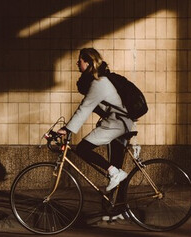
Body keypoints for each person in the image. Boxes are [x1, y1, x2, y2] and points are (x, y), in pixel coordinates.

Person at [57, 48, 134, 191]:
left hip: (117, 123)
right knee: (116, 167)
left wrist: (67, 129)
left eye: (79, 61)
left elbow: (84, 108)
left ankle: (114, 174)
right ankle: (116, 209)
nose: (77, 63)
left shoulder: (100, 83)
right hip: (118, 122)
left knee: (83, 149)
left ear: (88, 62)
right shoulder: (98, 81)